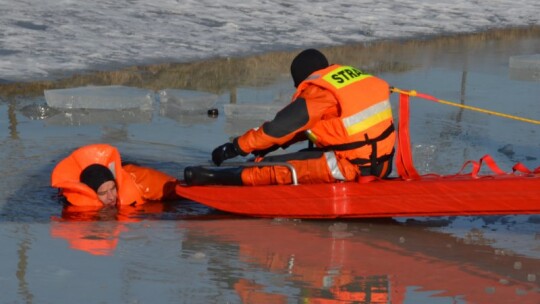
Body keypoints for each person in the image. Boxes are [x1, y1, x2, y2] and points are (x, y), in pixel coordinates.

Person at [184, 48, 396, 186]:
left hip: (350, 168)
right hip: (383, 165)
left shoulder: (319, 91)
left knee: (269, 167)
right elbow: (315, 128)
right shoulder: (354, 81)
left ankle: (213, 179)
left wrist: (236, 147)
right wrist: (269, 146)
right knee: (283, 155)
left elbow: (280, 127)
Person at [51, 143, 180, 208]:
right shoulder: (73, 205)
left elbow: (177, 189)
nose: (111, 197)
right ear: (91, 192)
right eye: (103, 193)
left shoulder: (135, 180)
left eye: (113, 189)